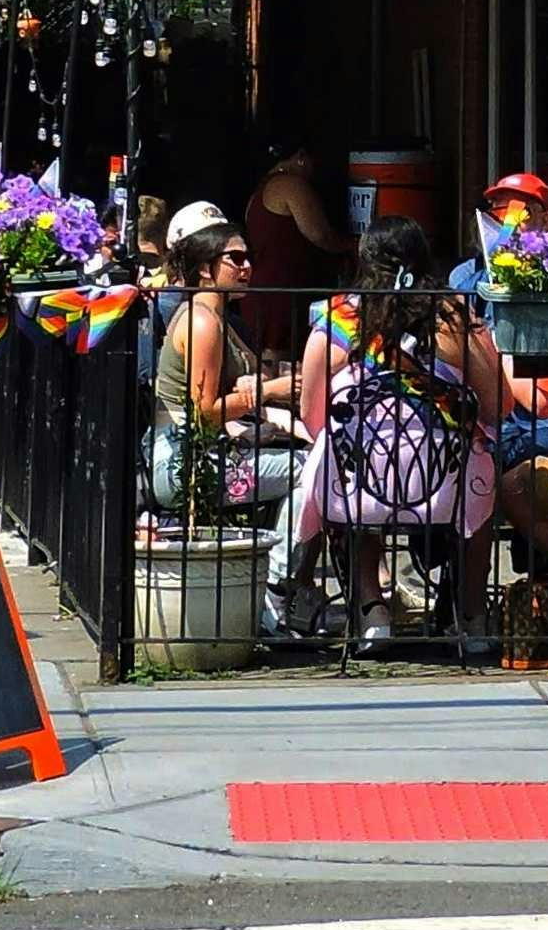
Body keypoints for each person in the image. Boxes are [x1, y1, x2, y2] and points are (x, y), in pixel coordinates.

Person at [291, 217, 503, 656]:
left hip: (355, 493)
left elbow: (312, 417)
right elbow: (498, 405)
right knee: (483, 463)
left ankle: (373, 612)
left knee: (344, 463)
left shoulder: (336, 319)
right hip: (447, 488)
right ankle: (471, 617)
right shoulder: (454, 318)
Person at [147, 204, 299, 512]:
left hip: (207, 452)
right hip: (184, 465)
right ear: (205, 268)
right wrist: (267, 391)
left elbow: (259, 373)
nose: (247, 268)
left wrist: (259, 383)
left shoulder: (220, 318)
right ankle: (281, 563)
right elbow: (203, 415)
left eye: (249, 258)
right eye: (236, 259)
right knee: (313, 470)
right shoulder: (202, 322)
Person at [240, 138, 352, 360]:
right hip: (282, 291)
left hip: (263, 288)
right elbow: (320, 234)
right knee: (280, 359)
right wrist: (352, 245)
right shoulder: (290, 185)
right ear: (300, 158)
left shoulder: (258, 192)